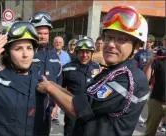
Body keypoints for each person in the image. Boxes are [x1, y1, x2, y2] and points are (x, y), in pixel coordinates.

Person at [36, 6, 150, 136]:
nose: (111, 44)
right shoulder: (113, 71)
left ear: (136, 46)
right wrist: (53, 85)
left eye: (121, 39)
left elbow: (76, 108)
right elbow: (84, 101)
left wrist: (49, 89)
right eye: (109, 37)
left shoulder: (128, 79)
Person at [30, 11, 62, 135]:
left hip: (47, 109)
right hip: (28, 108)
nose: (42, 36)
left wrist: (56, 106)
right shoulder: (27, 52)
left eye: (45, 33)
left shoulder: (54, 55)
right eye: (39, 33)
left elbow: (59, 82)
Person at [62, 37, 101, 136]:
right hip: (72, 109)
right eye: (81, 52)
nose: (84, 55)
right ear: (77, 53)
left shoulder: (97, 68)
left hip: (90, 110)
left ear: (92, 53)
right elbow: (60, 89)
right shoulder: (67, 68)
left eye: (87, 52)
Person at [143, 45, 166, 135]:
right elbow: (147, 77)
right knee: (150, 132)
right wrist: (151, 59)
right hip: (156, 101)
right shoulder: (158, 61)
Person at [52, 36, 71, 124]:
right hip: (51, 78)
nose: (58, 44)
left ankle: (56, 115)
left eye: (60, 42)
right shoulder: (49, 53)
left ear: (63, 44)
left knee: (59, 96)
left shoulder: (66, 56)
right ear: (53, 43)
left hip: (62, 79)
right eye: (56, 42)